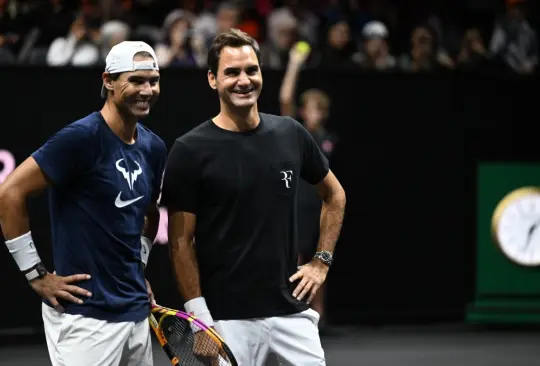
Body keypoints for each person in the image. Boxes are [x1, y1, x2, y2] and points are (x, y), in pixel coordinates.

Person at [160, 29, 346, 366]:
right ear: (213, 79)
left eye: (251, 70)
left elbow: (335, 195)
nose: (243, 80)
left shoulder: (290, 133)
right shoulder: (189, 150)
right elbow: (180, 242)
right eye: (232, 72)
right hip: (226, 320)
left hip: (291, 312)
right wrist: (200, 319)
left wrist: (321, 262)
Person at [0, 41, 167, 366]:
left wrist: (138, 266)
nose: (147, 90)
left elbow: (150, 214)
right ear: (108, 81)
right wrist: (36, 275)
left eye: (153, 80)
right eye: (136, 80)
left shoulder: (154, 147)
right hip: (84, 318)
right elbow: (9, 194)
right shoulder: (81, 138)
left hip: (135, 312)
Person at [279, 42, 339, 330]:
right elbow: (285, 98)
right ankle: (297, 312)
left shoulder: (328, 138)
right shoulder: (295, 132)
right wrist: (294, 63)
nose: (315, 113)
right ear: (303, 111)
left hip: (319, 206)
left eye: (320, 109)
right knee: (297, 259)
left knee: (320, 260)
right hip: (296, 205)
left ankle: (320, 315)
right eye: (310, 108)